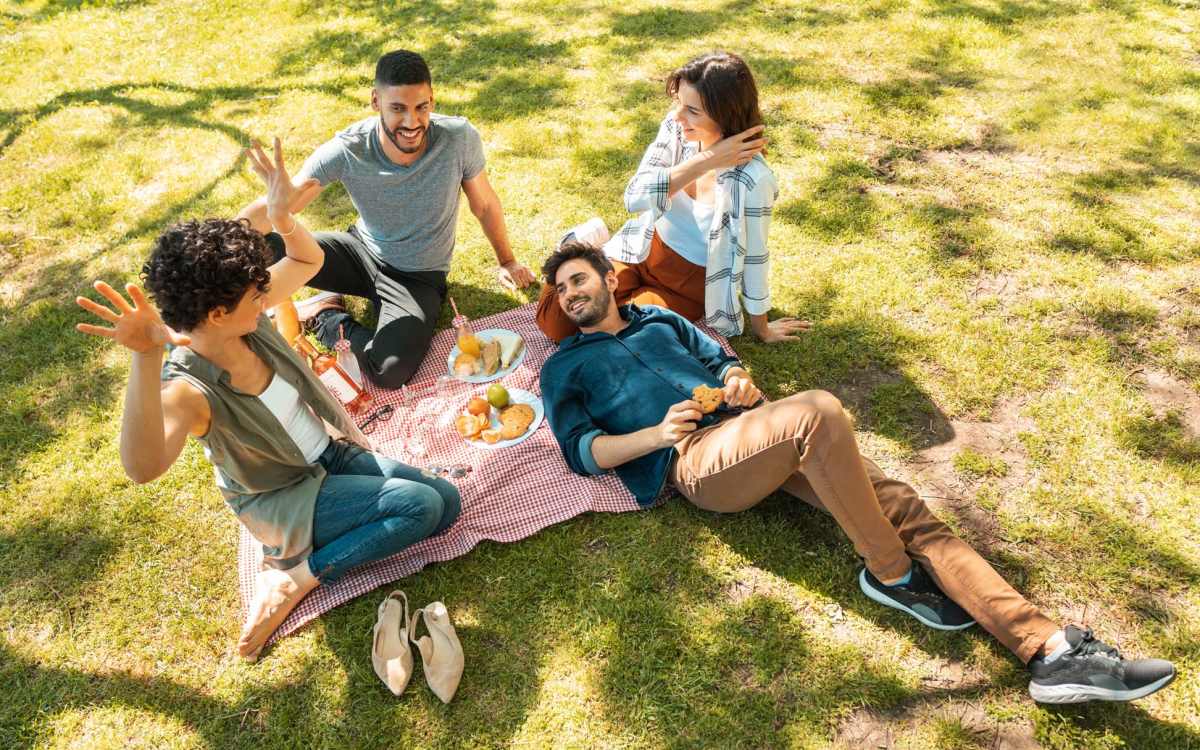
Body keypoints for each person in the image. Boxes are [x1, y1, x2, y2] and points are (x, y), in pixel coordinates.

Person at [537, 241, 1176, 704]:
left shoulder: (659, 318)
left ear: (607, 278)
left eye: (578, 279)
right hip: (696, 464)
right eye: (562, 291)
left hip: (755, 429)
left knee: (903, 504)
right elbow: (582, 453)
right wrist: (654, 435)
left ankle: (1050, 651)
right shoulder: (564, 368)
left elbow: (722, 359)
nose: (571, 295)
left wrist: (734, 378)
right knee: (816, 411)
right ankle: (891, 574)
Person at [75, 139, 461, 661]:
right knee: (418, 507)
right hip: (283, 495)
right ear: (214, 314)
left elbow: (307, 256)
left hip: (328, 454)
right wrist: (144, 356)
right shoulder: (189, 388)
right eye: (255, 296)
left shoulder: (241, 317)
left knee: (447, 503)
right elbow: (141, 467)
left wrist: (280, 216)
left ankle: (309, 552)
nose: (267, 300)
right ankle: (297, 575)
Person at [239, 49, 535, 388]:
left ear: (432, 100)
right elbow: (283, 204)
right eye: (398, 108)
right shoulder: (349, 148)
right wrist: (215, 245)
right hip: (360, 252)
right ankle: (308, 301)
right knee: (257, 245)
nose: (411, 122)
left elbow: (483, 204)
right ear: (375, 101)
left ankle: (326, 316)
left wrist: (508, 260)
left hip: (418, 277)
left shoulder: (458, 139)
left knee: (389, 371)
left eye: (421, 107)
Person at [536, 51, 809, 344]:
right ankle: (574, 246)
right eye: (679, 102)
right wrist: (707, 160)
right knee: (557, 323)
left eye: (693, 110)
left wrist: (762, 327)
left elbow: (755, 257)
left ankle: (584, 256)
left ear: (725, 114)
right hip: (641, 248)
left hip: (686, 285)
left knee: (621, 335)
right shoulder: (677, 129)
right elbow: (634, 196)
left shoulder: (753, 179)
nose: (678, 116)